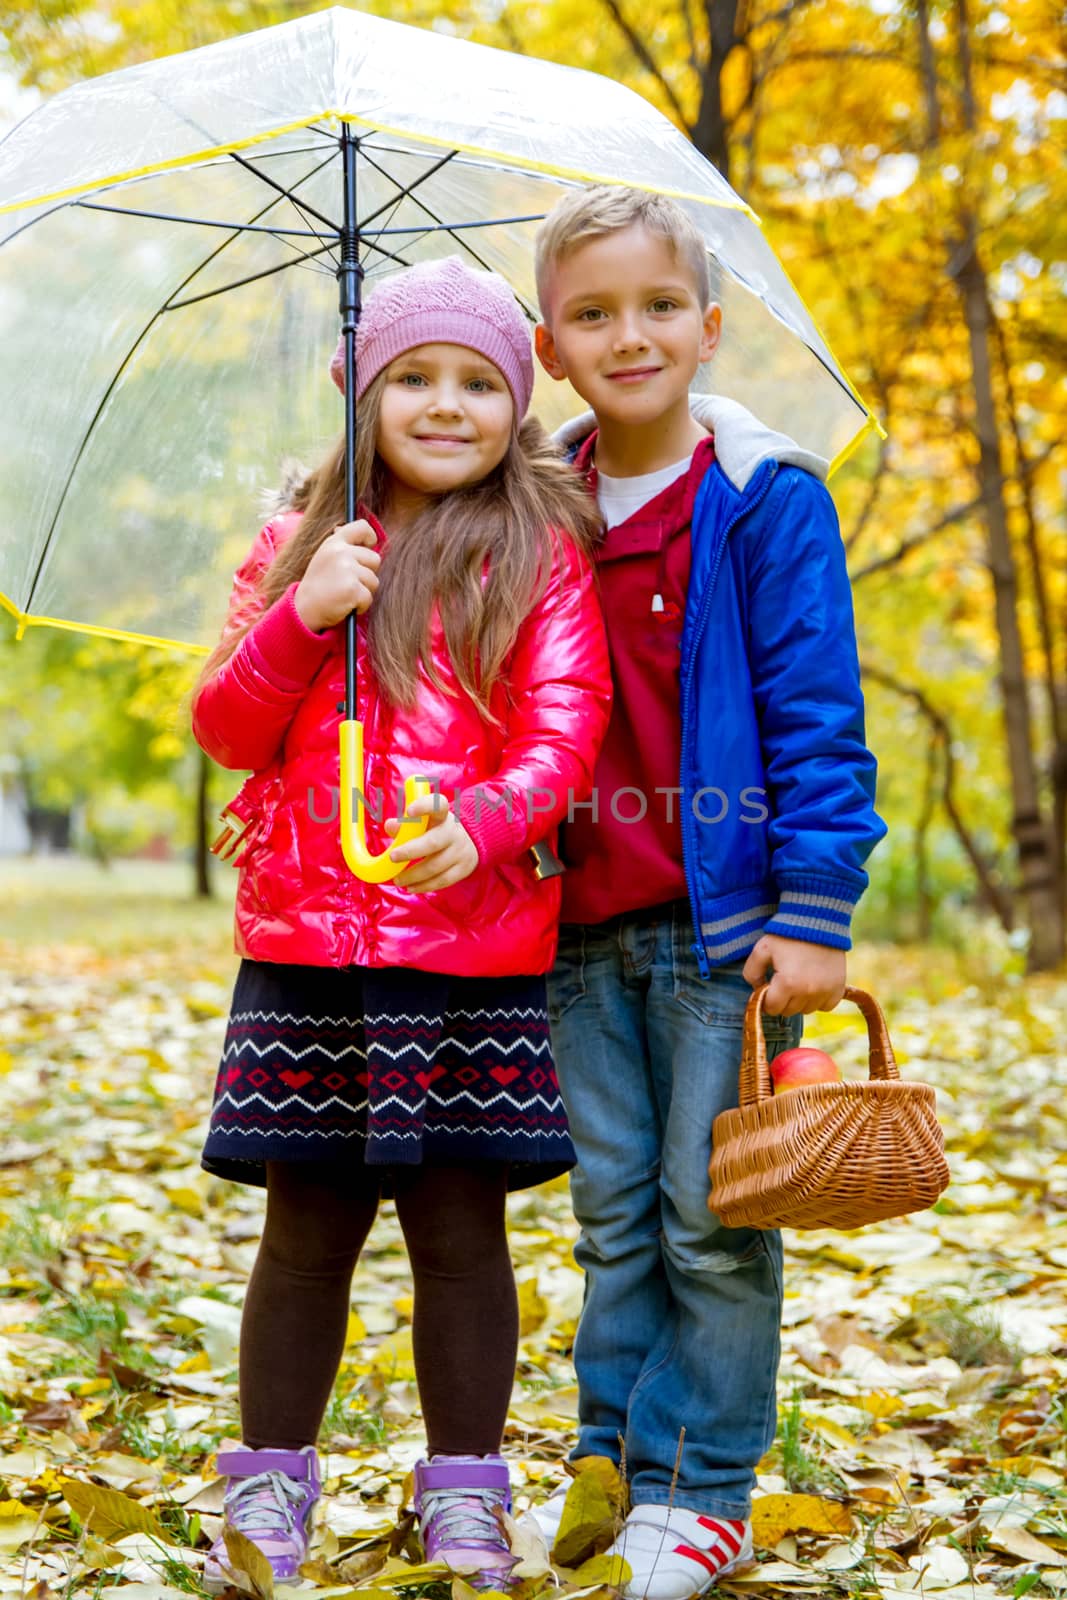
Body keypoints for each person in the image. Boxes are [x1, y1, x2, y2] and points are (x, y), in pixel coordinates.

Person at [190, 256, 612, 1593]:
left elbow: (568, 729)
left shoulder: (540, 553)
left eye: (477, 384)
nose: (443, 406)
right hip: (308, 947)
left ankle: (468, 1500)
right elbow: (226, 728)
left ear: (517, 400)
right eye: (412, 380)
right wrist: (303, 618)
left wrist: (482, 822)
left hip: (467, 952)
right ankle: (267, 1487)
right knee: (305, 1229)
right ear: (363, 398)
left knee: (459, 1228)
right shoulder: (301, 541)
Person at [529, 186, 887, 1598]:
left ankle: (704, 1491)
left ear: (712, 327)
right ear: (550, 348)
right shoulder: (531, 503)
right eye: (593, 312)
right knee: (613, 1209)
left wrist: (816, 910)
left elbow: (814, 712)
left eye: (660, 306)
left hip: (722, 928)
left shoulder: (761, 500)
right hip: (567, 924)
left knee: (713, 1215)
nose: (632, 334)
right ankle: (609, 1455)